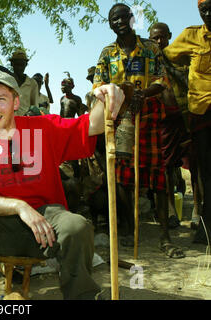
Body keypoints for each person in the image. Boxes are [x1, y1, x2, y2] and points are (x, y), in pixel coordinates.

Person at [0, 70, 125, 300]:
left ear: (16, 102)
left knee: (77, 226)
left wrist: (105, 97)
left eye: (1, 99)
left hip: (47, 223)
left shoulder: (42, 128)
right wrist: (19, 207)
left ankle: (83, 295)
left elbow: (92, 126)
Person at [93, 3, 182, 257]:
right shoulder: (107, 53)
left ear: (132, 20)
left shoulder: (151, 49)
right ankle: (132, 230)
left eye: (123, 17)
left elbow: (161, 80)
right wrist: (118, 93)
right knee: (123, 176)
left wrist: (142, 94)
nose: (119, 22)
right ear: (110, 24)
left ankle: (165, 237)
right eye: (114, 19)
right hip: (120, 117)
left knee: (159, 174)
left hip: (149, 113)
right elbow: (98, 84)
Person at [164, 0, 211, 244]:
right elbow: (169, 56)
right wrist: (187, 73)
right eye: (204, 10)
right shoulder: (191, 36)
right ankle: (206, 228)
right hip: (202, 115)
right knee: (205, 173)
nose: (209, 13)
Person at [149, 22, 192, 230]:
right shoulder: (148, 62)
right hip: (161, 120)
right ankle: (170, 212)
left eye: (162, 37)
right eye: (154, 38)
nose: (159, 42)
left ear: (169, 36)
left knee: (195, 165)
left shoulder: (180, 58)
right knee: (164, 168)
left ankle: (198, 214)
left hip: (184, 116)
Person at [9, 49, 40, 116]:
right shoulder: (6, 81)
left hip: (26, 121)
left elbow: (35, 106)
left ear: (26, 64)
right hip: (8, 120)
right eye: (17, 64)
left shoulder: (32, 84)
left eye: (22, 65)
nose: (19, 68)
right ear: (12, 64)